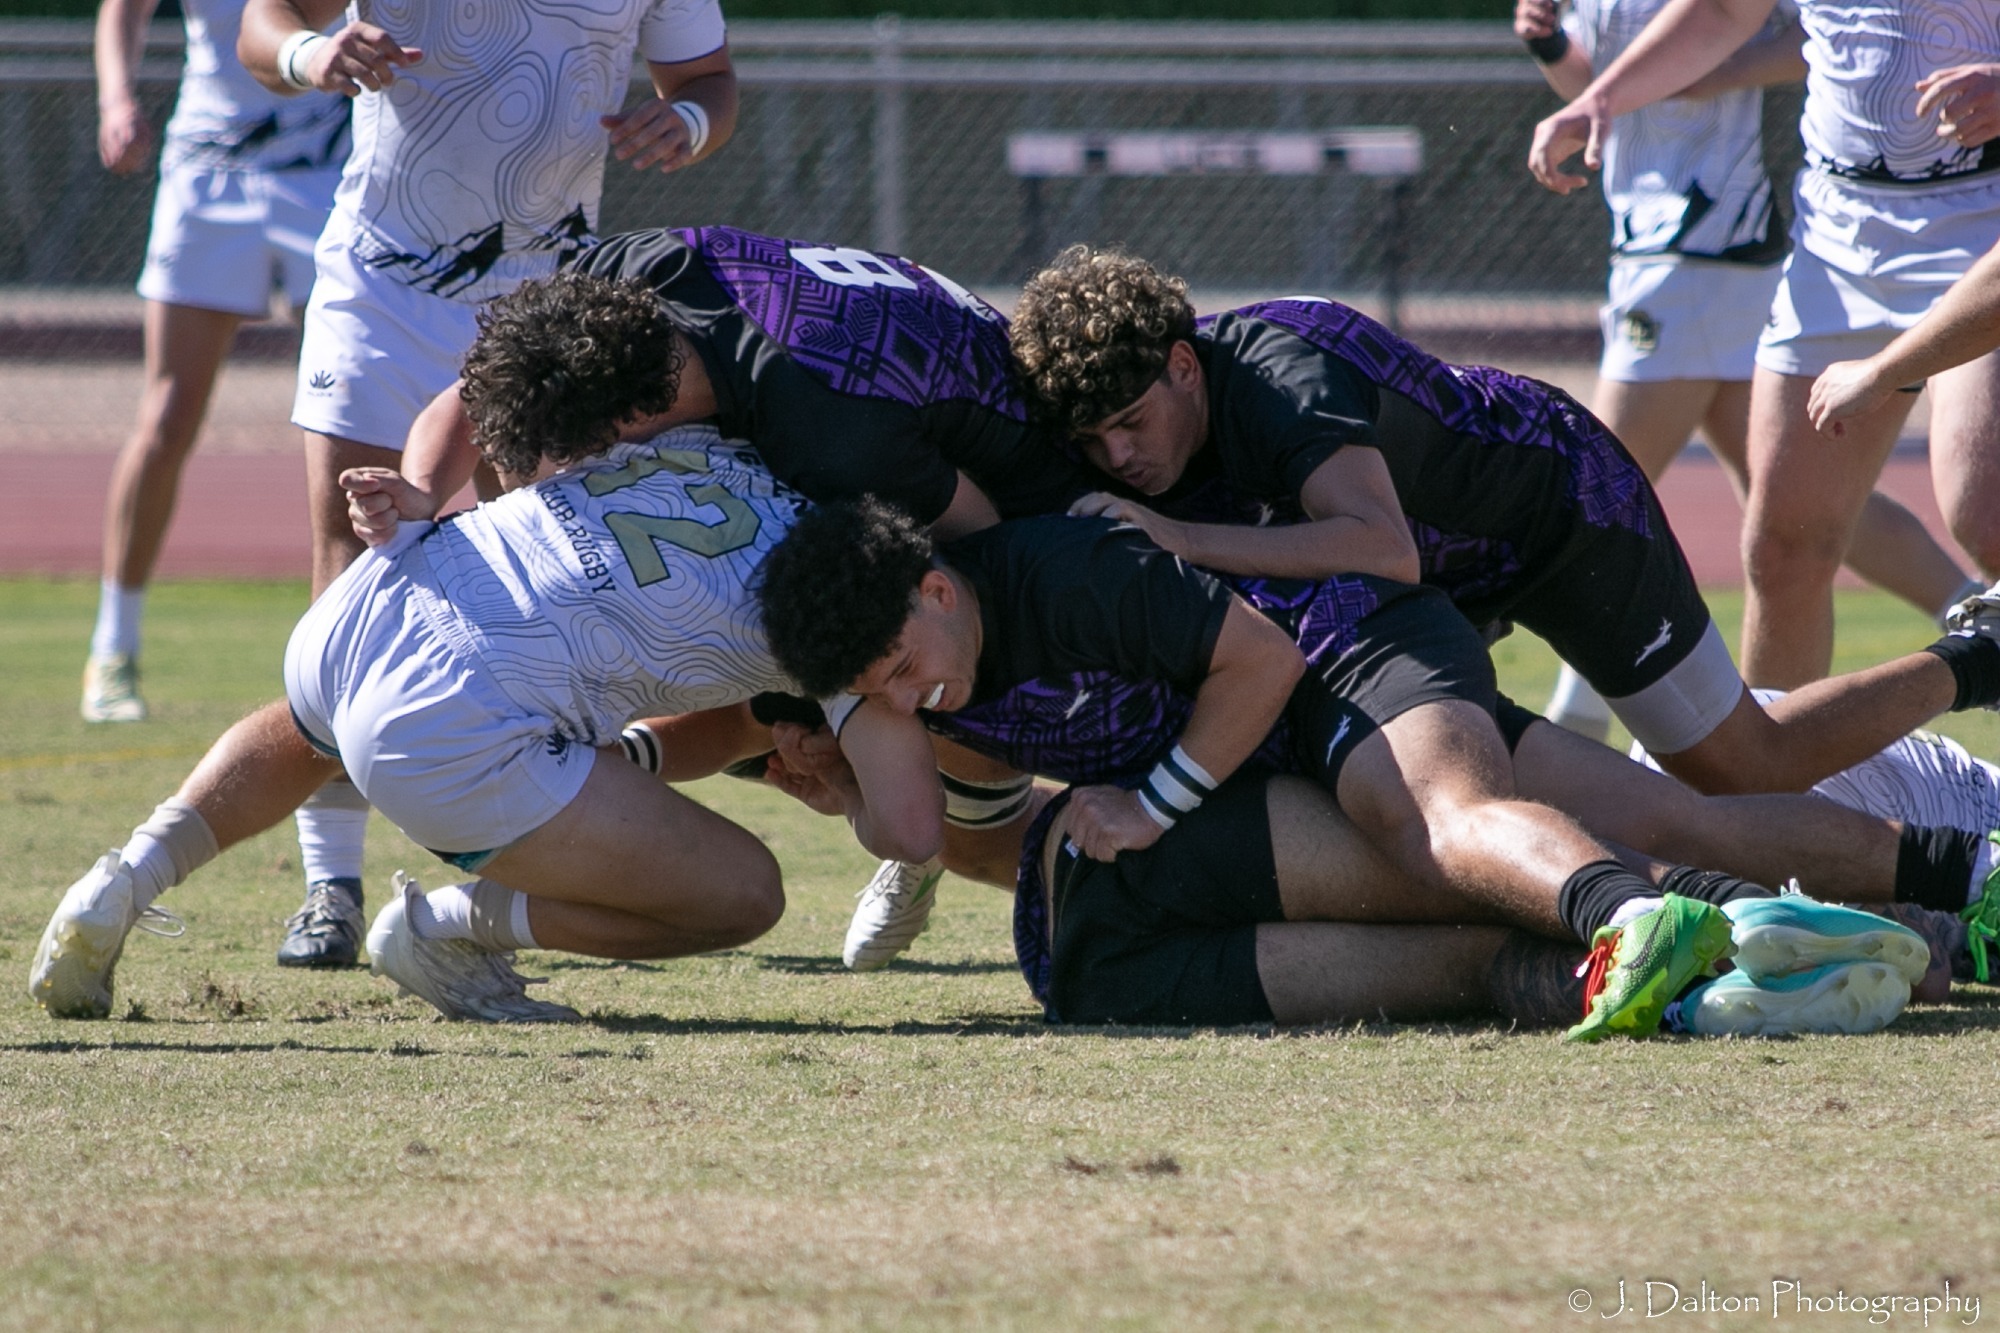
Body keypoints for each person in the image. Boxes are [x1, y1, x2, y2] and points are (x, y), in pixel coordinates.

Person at [753, 500, 1938, 1040]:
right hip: (1238, 799)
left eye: (902, 666)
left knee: (1455, 838)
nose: (910, 699)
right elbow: (907, 821)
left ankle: (1714, 919)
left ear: (938, 588)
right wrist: (836, 760)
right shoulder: (911, 669)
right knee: (1624, 844)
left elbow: (1255, 661)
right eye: (878, 694)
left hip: (1345, 669)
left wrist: (1153, 798)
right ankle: (1790, 946)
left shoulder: (1062, 572)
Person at [1003, 248, 2000, 800]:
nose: (1119, 458)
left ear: (1183, 365)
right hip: (1450, 573)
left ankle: (1975, 655)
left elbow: (1376, 545)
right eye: (1092, 442)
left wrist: (1177, 539)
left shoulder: (1276, 381)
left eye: (1128, 423)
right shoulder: (1159, 428)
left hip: (1562, 513)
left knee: (1740, 766)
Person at [232, 0, 738, 969]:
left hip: (549, 297)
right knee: (352, 578)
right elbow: (262, 24)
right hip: (386, 278)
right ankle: (328, 884)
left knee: (552, 588)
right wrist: (312, 52)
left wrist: (683, 124)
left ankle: (521, 878)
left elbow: (708, 83)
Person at [30, 424, 800, 1024]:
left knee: (316, 724)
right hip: (458, 718)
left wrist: (427, 489)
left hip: (396, 580)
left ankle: (127, 877)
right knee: (746, 895)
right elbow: (896, 811)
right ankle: (446, 927)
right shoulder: (839, 585)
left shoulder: (708, 420)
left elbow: (477, 387)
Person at [1514, 0, 1978, 739]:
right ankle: (1769, 819)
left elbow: (1776, 42)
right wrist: (1573, 70)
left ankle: (1581, 723)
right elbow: (1671, 44)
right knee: (1787, 531)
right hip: (1767, 242)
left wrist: (1714, 68)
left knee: (1594, 490)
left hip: (1725, 248)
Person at [83, 0, 349, 724]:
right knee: (168, 417)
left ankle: (344, 657)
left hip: (325, 173)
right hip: (206, 172)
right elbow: (124, 10)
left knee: (347, 413)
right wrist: (116, 99)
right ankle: (114, 648)